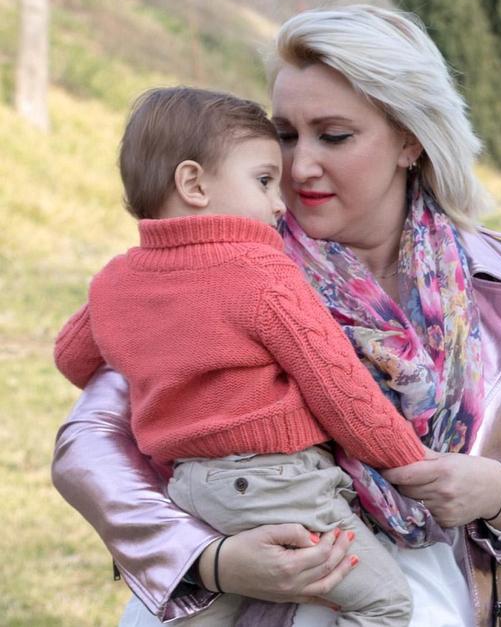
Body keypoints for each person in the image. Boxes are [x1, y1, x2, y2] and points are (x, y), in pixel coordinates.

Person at [51, 5, 501, 626]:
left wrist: (499, 493)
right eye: (285, 135)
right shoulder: (222, 260)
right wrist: (210, 560)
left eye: (334, 136)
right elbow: (88, 447)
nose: (298, 167)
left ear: (410, 139)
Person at [53, 86, 430, 625]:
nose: (281, 202)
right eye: (263, 180)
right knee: (384, 601)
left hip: (189, 493)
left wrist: (154, 348)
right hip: (282, 486)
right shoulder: (261, 270)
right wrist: (414, 465)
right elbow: (339, 390)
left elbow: (72, 358)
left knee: (200, 613)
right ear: (193, 184)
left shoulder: (115, 280)